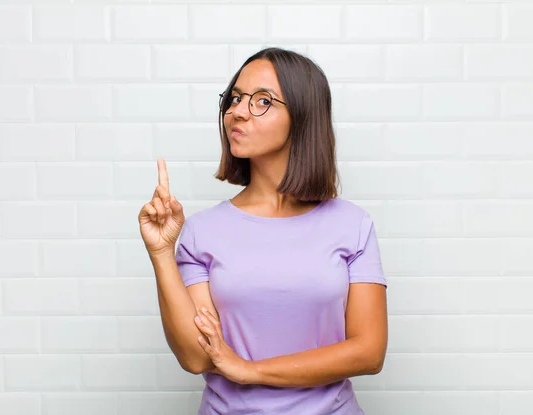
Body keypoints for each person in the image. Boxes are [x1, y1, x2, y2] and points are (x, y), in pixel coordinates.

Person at [138, 47, 388, 415]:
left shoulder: (352, 226)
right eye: (235, 98)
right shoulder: (201, 232)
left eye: (262, 101)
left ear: (302, 116)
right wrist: (161, 253)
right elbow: (196, 357)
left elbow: (369, 351)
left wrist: (250, 370)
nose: (237, 111)